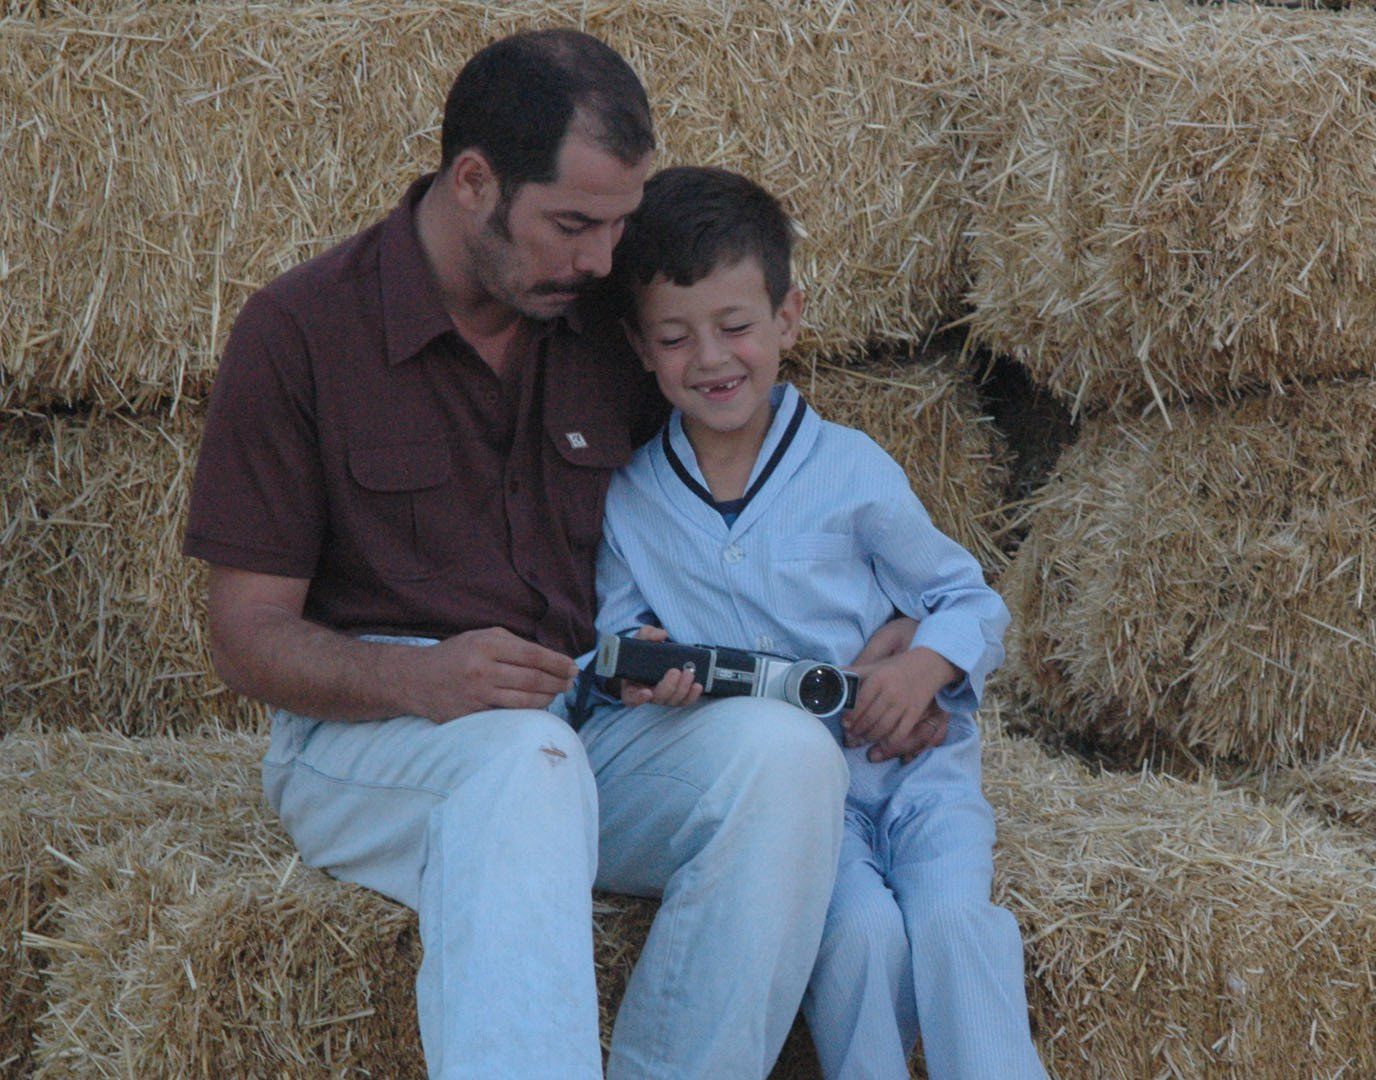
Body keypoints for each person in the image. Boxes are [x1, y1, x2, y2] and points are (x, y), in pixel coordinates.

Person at [184, 31, 943, 1079]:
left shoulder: (613, 324)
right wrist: (420, 676)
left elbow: (758, 501)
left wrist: (894, 645)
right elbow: (244, 637)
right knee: (520, 762)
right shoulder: (302, 330)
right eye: (573, 225)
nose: (600, 261)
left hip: (587, 721)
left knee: (786, 759)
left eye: (618, 226)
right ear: (475, 182)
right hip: (373, 740)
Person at [585, 165, 1049, 1080]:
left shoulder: (850, 470)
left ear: (789, 318)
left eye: (736, 327)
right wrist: (643, 668)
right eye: (676, 338)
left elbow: (969, 599)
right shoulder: (633, 499)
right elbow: (618, 637)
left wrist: (924, 671)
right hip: (805, 811)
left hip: (918, 778)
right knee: (860, 940)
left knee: (957, 924)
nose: (711, 359)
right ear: (639, 346)